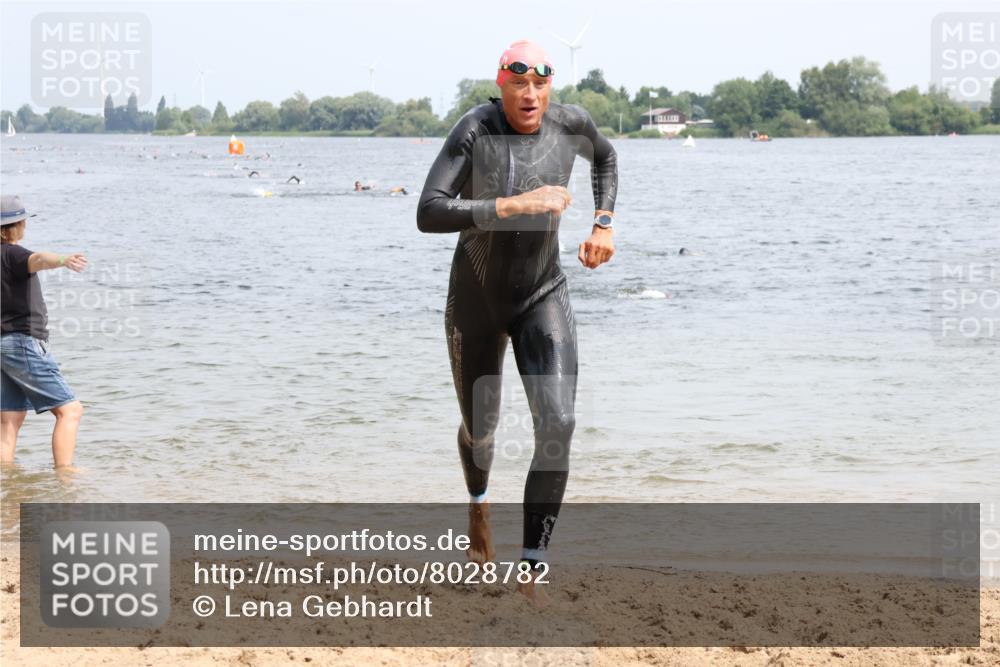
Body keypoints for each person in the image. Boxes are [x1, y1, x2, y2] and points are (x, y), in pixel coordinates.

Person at [416, 39, 617, 604]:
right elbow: (428, 211)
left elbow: (606, 156)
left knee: (558, 425)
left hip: (541, 293)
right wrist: (513, 205)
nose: (530, 95)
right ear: (501, 84)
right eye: (518, 84)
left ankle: (532, 569)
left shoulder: (571, 124)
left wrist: (603, 221)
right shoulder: (475, 130)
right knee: (481, 429)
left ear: (550, 86)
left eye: (539, 85)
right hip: (475, 302)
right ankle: (478, 506)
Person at [1, 195, 87, 468]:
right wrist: (63, 259)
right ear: (17, 226)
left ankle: (5, 485)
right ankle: (65, 479)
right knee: (70, 410)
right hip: (20, 341)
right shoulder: (13, 254)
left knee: (9, 421)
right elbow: (37, 259)